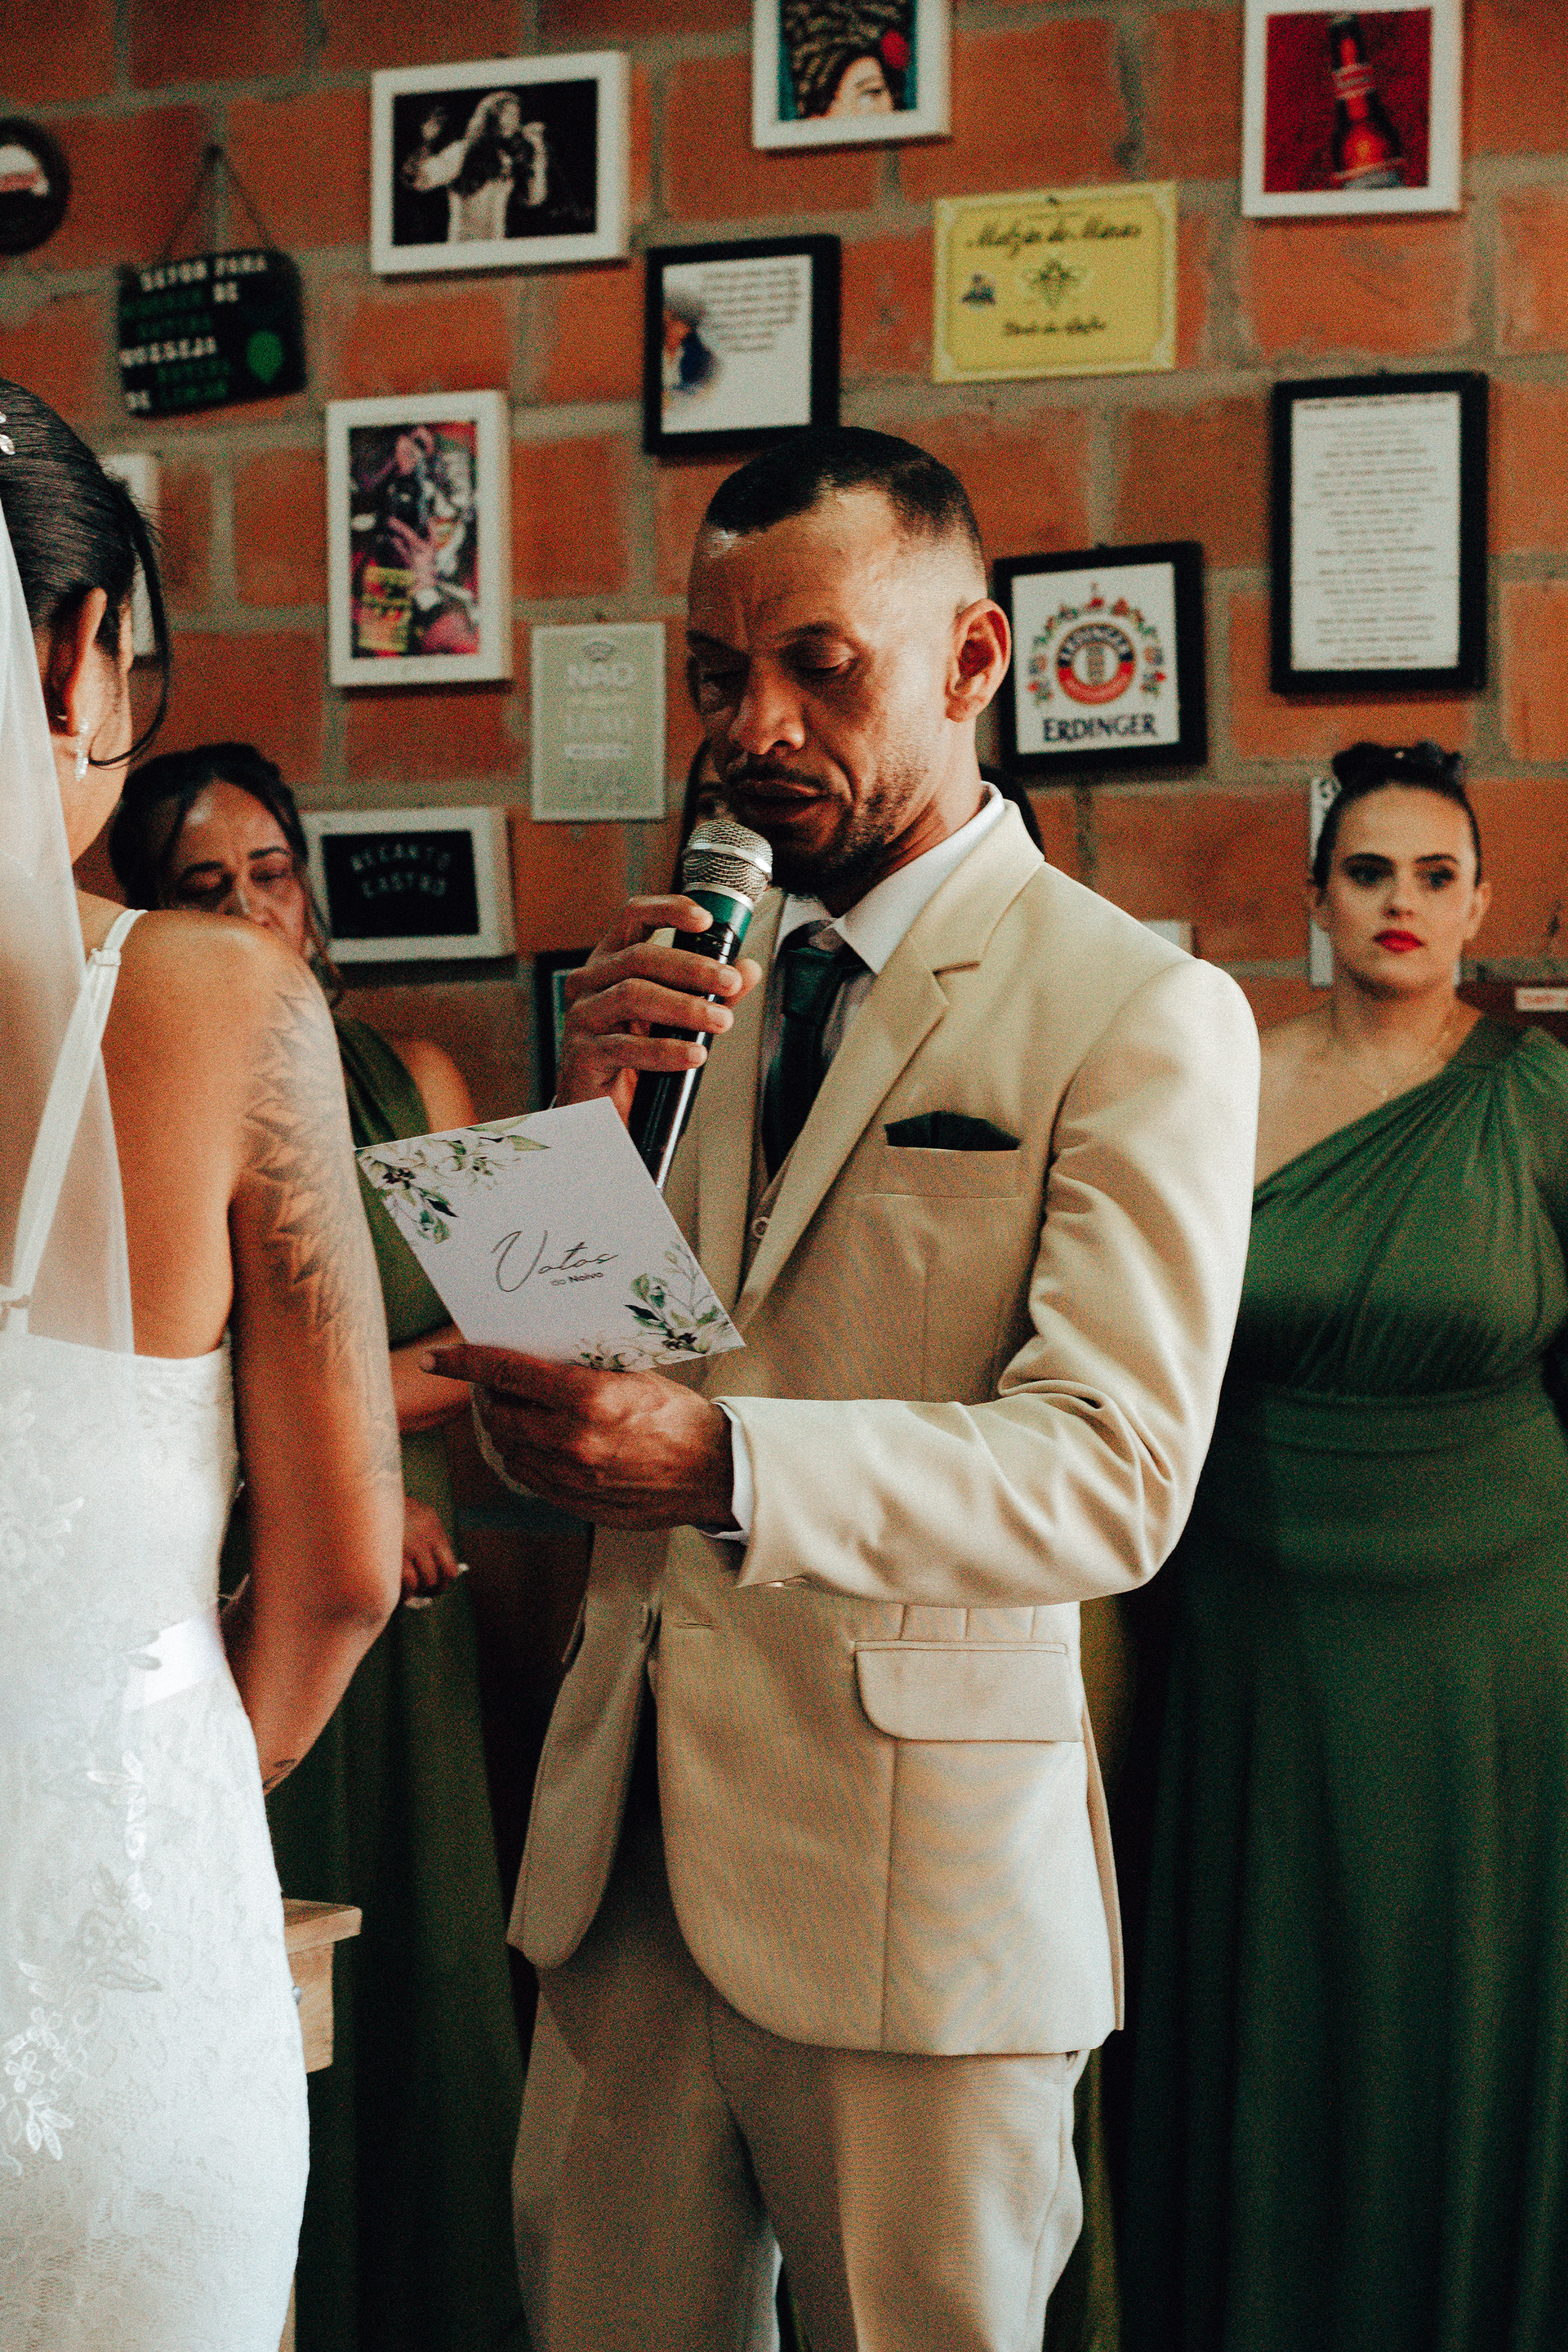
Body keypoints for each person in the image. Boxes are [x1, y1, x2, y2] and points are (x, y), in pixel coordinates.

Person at [429, 425, 1260, 2352]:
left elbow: (1115, 1475)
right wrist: (576, 1134)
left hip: (917, 1897)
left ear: (973, 663)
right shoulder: (677, 981)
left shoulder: (1139, 1010)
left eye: (821, 668)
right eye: (719, 676)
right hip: (620, 1873)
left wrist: (722, 1461)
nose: (756, 730)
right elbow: (536, 1441)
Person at [0, 391, 402, 2346]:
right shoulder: (225, 999)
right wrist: (132, 1803)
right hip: (125, 1966)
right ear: (81, 651)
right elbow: (341, 1573)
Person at [1121, 741, 1568, 2352]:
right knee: (1279, 1973)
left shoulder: (1539, 1097)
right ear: (1316, 897)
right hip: (1257, 1598)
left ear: (1482, 903)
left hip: (1495, 1618)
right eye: (1369, 871)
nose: (1402, 902)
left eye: (1436, 875)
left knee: (1470, 1981)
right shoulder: (1223, 1081)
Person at [107, 745, 527, 2352]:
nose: (249, 910)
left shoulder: (414, 1077)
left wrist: (333, 1428)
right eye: (203, 888)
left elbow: (518, 1339)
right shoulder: (155, 1087)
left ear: (311, 887)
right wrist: (333, 1473)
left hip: (417, 1625)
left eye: (269, 873)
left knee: (431, 1995)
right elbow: (164, 1391)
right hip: (246, 1589)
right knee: (267, 2015)